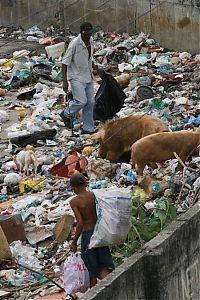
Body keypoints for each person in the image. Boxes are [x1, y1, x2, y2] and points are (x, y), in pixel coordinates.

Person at [69, 173, 114, 287]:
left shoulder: (74, 202)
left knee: (92, 269)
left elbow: (80, 224)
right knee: (103, 265)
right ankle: (109, 288)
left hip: (88, 236)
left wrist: (74, 242)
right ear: (85, 184)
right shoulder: (93, 195)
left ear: (73, 188)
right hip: (100, 233)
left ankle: (95, 293)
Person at [61, 22, 102, 134]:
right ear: (81, 33)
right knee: (81, 101)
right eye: (86, 34)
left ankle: (88, 129)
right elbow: (64, 63)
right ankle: (66, 113)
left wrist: (95, 67)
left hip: (88, 75)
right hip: (75, 76)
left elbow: (89, 58)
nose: (88, 37)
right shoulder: (74, 44)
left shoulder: (91, 41)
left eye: (90, 34)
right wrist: (65, 82)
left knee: (90, 102)